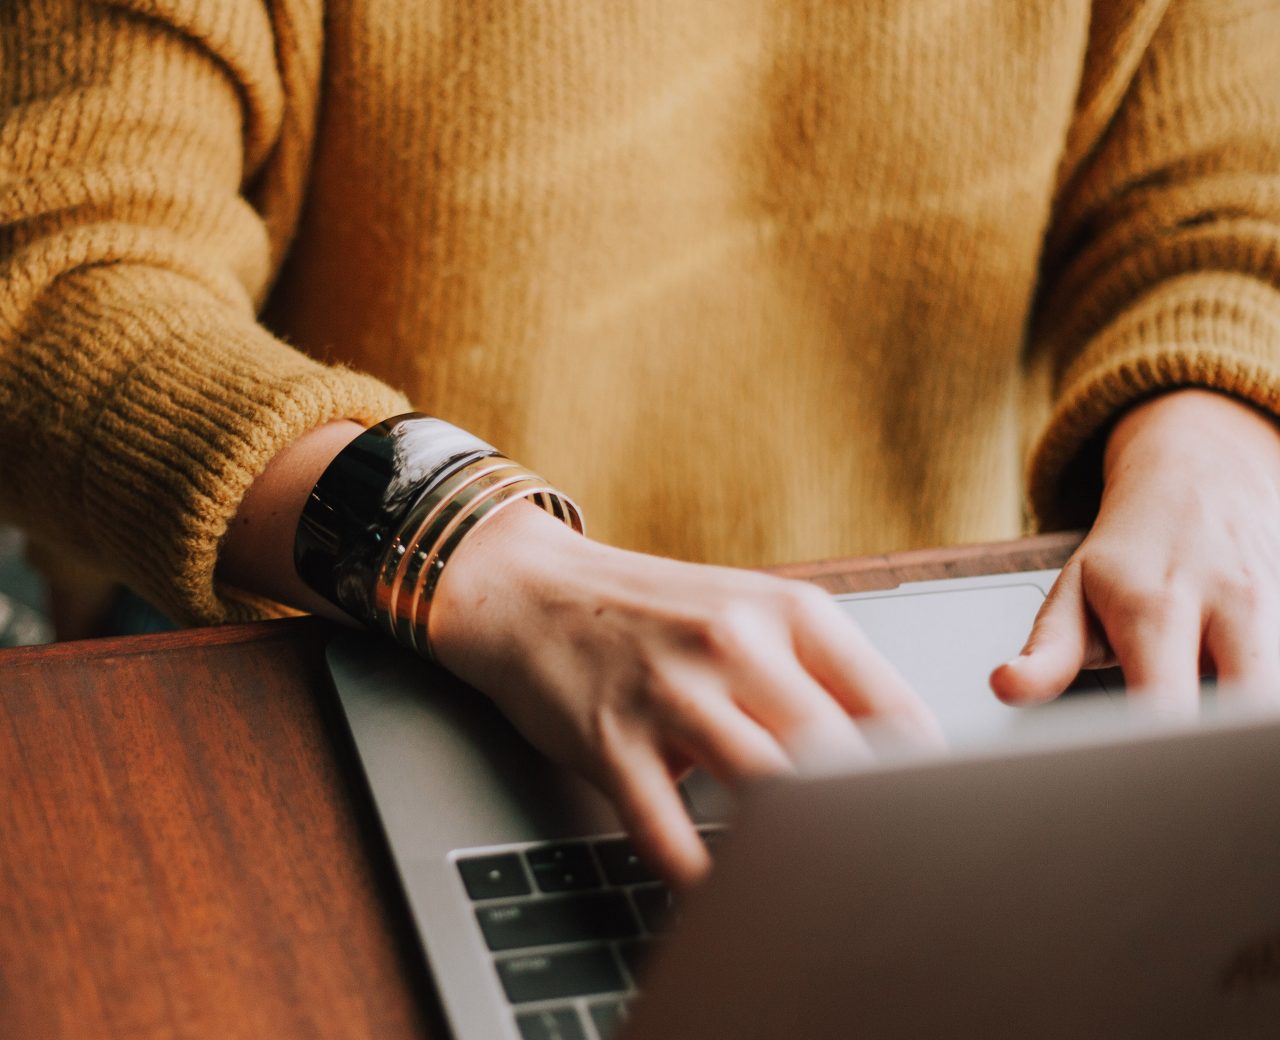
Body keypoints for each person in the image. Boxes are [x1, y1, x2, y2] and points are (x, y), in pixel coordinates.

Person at [3, 0, 1279, 887]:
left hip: (957, 692)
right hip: (370, 671)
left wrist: (1207, 449)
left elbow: (1226, 198)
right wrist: (490, 561)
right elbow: (60, 274)